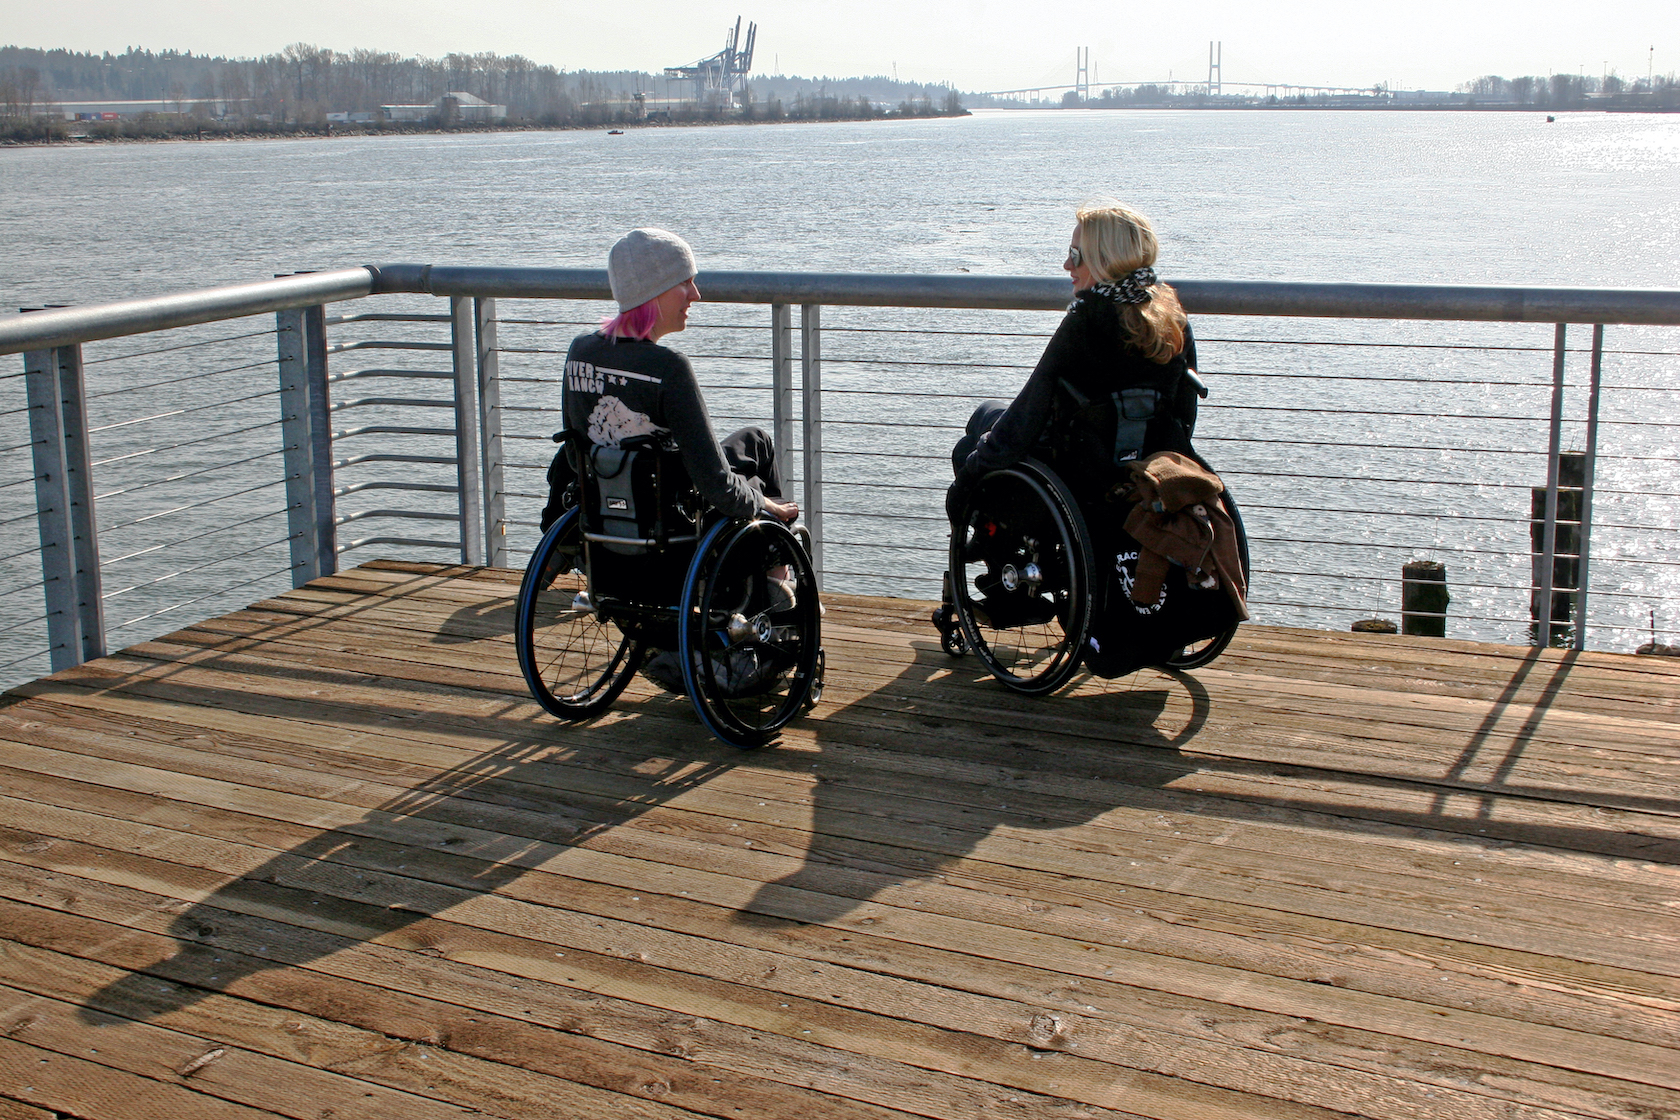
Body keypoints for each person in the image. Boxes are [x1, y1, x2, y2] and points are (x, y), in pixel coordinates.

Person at [558, 228, 799, 691]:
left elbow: (575, 454)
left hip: (611, 528)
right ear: (655, 292)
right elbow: (718, 488)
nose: (696, 294)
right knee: (758, 444)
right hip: (675, 531)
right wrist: (767, 506)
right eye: (685, 282)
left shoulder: (580, 352)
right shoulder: (668, 368)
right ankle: (775, 579)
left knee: (738, 448)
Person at [948, 199, 1201, 512]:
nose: (1067, 265)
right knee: (988, 420)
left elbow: (1027, 415)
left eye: (1075, 255)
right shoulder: (1172, 317)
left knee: (973, 438)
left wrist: (967, 478)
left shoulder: (1085, 322)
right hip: (1146, 463)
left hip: (1078, 469)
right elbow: (1183, 413)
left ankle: (989, 546)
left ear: (1103, 260)